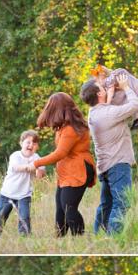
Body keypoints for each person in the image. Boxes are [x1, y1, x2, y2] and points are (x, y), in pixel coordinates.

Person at [17, 93, 96, 236]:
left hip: (78, 170)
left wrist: (36, 163)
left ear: (59, 110)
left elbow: (60, 154)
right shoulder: (63, 127)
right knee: (60, 208)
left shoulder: (71, 129)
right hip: (67, 172)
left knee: (68, 208)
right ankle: (59, 239)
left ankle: (80, 238)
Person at [80, 74, 138, 235]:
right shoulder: (109, 113)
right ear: (99, 94)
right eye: (102, 86)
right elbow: (134, 105)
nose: (104, 86)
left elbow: (106, 108)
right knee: (122, 202)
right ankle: (113, 239)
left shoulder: (94, 113)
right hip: (118, 164)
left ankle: (98, 236)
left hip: (105, 166)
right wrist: (126, 87)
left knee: (107, 204)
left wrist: (108, 95)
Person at [0, 130, 46, 235]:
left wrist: (38, 171)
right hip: (7, 194)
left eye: (34, 143)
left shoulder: (37, 158)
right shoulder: (15, 156)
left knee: (24, 217)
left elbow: (41, 174)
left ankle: (24, 237)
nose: (31, 145)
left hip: (24, 195)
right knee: (0, 216)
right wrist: (30, 167)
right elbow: (16, 167)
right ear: (21, 143)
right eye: (28, 142)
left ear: (37, 146)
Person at [90, 64, 138, 129]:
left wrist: (107, 104)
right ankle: (137, 118)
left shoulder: (109, 80)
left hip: (127, 83)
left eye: (98, 80)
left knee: (136, 103)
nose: (98, 82)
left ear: (103, 76)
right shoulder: (109, 78)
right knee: (130, 102)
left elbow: (110, 92)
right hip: (124, 85)